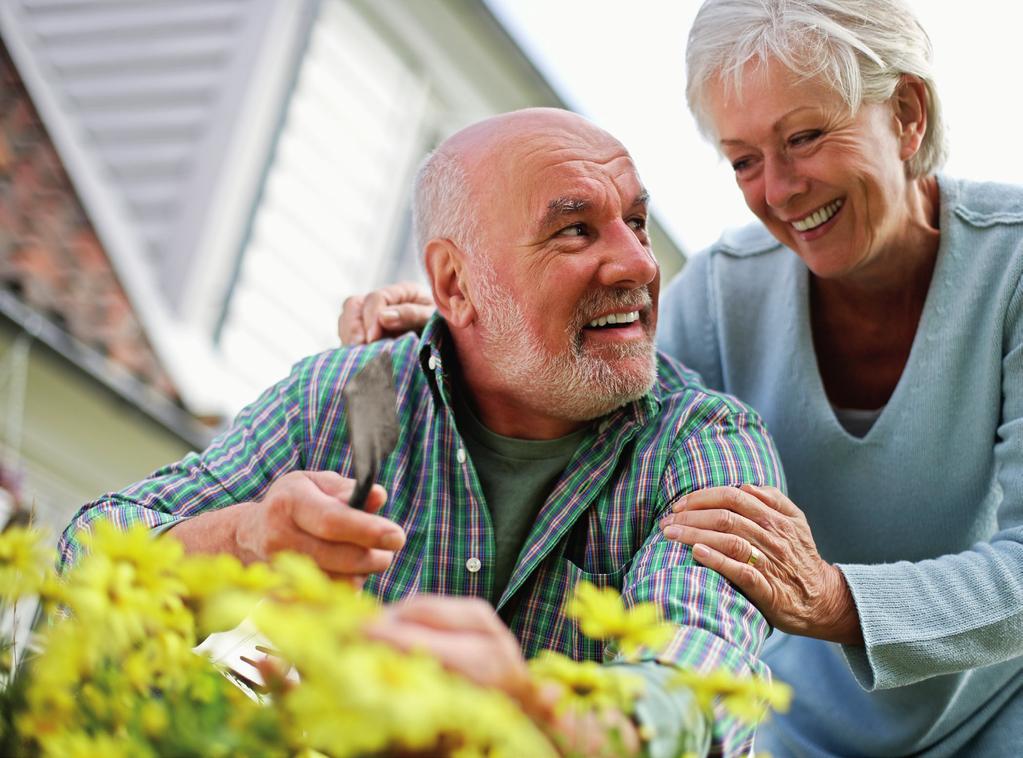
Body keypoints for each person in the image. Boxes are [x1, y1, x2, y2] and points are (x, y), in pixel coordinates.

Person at [338, 1, 1023, 755]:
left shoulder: (1010, 269)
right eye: (743, 159)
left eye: (803, 138)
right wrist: (456, 334)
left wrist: (836, 600)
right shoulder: (724, 293)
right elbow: (596, 412)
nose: (781, 189)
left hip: (997, 716)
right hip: (784, 728)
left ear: (905, 112)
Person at [60, 108, 786, 757]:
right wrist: (246, 538)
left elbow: (702, 684)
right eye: (574, 229)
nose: (637, 261)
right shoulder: (350, 394)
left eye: (635, 220)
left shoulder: (706, 444)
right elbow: (86, 557)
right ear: (456, 286)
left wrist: (535, 718)